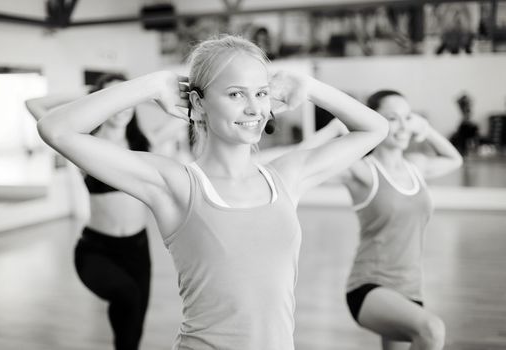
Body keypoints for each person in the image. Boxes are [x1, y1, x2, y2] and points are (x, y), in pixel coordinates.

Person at [36, 35, 389, 349]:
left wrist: (308, 86)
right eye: (236, 94)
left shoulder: (286, 176)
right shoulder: (175, 184)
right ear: (199, 103)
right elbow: (56, 129)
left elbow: (375, 128)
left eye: (261, 93)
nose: (254, 108)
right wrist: (152, 85)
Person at [302, 90, 462, 350]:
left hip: (411, 291)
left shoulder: (417, 166)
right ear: (376, 121)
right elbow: (304, 158)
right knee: (432, 330)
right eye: (392, 118)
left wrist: (426, 128)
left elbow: (455, 159)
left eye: (407, 117)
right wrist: (335, 128)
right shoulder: (363, 171)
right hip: (370, 288)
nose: (402, 126)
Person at [26, 74, 157, 350]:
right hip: (97, 251)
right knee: (128, 296)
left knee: (131, 332)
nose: (122, 108)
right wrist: (90, 92)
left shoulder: (144, 145)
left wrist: (139, 92)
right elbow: (34, 104)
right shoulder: (84, 144)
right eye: (113, 101)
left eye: (127, 101)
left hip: (138, 250)